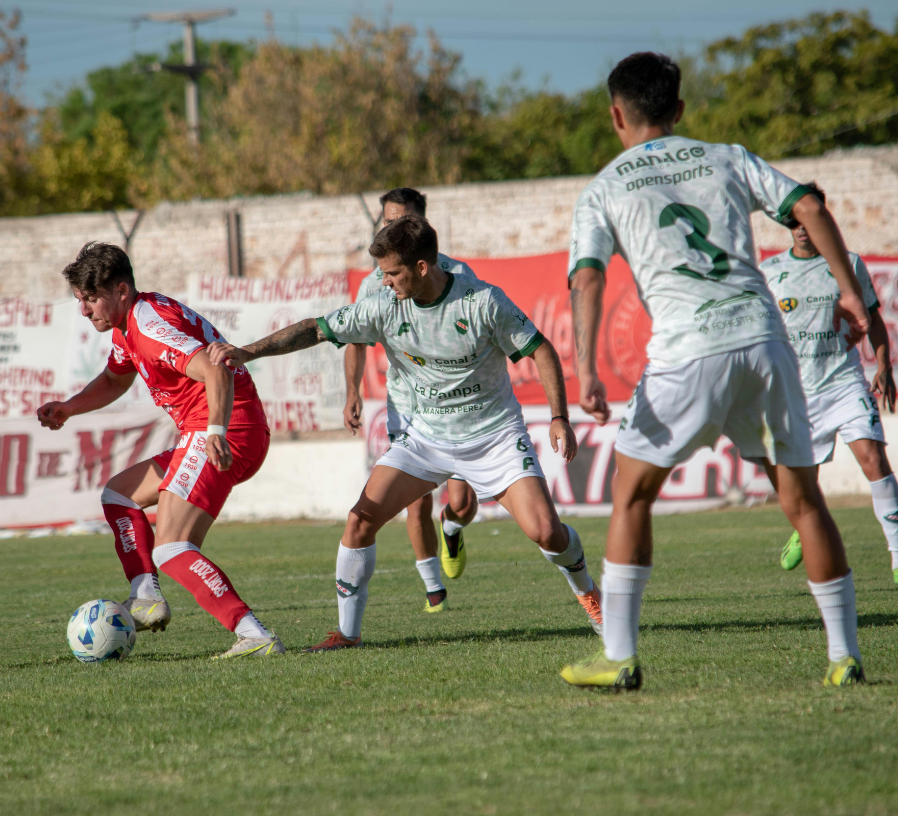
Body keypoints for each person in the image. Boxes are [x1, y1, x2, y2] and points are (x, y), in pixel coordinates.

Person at [564, 52, 870, 690]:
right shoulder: (727, 157)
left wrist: (585, 368)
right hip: (764, 340)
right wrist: (850, 293)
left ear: (616, 115)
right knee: (803, 501)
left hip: (688, 352)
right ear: (679, 109)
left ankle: (618, 655)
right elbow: (811, 209)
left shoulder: (604, 187)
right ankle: (844, 656)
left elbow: (587, 278)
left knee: (631, 494)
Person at [210, 215, 603, 652]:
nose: (384, 281)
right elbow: (314, 329)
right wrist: (248, 351)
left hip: (493, 437)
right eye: (382, 272)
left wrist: (559, 417)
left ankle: (591, 595)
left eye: (392, 272)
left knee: (547, 532)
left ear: (421, 267)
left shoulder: (482, 301)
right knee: (360, 521)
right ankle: (347, 635)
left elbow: (541, 349)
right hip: (425, 439)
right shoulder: (383, 305)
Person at [36, 242, 283, 658]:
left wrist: (216, 431)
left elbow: (215, 368)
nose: (84, 310)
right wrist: (70, 407)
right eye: (79, 299)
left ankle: (255, 636)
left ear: (121, 290)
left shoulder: (150, 326)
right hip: (219, 429)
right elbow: (115, 380)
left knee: (171, 547)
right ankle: (145, 597)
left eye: (91, 298)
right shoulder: (128, 324)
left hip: (224, 429)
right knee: (120, 495)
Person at [345, 187, 480, 613]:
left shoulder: (457, 273)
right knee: (415, 499)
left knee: (461, 503)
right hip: (408, 406)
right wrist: (352, 391)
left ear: (421, 224)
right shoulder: (374, 283)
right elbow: (354, 338)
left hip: (456, 406)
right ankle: (433, 588)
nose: (392, 227)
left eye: (402, 221)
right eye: (387, 221)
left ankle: (453, 528)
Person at [761, 182, 898, 583]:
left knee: (874, 459)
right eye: (796, 220)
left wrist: (884, 365)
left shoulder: (847, 264)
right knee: (804, 487)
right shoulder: (770, 272)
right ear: (788, 223)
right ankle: (804, 526)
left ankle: (897, 551)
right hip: (797, 392)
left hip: (844, 381)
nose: (803, 227)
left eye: (811, 218)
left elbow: (873, 319)